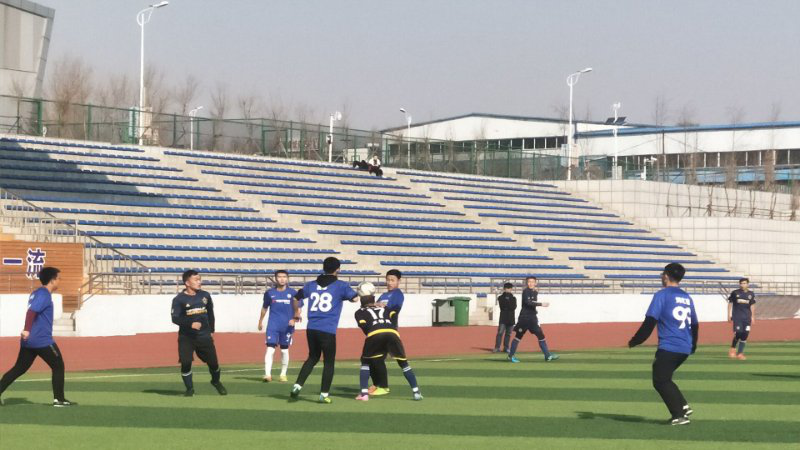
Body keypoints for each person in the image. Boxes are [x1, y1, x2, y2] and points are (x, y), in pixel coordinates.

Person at [628, 263, 699, 426]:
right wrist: (693, 344)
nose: (661, 276)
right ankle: (682, 405)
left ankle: (679, 416)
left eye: (662, 274)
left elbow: (650, 321)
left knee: (660, 380)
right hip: (685, 347)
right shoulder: (687, 297)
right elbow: (695, 324)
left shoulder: (662, 295)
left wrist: (636, 340)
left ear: (666, 276)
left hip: (670, 345)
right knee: (665, 377)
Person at [0, 267, 75, 407]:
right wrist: (27, 330)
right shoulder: (43, 294)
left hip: (29, 341)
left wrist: (27, 333)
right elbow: (31, 312)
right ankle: (59, 399)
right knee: (58, 365)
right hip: (41, 340)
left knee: (19, 368)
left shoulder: (37, 293)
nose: (60, 281)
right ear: (52, 280)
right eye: (59, 278)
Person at [289, 257, 359, 404]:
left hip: (311, 328)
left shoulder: (311, 284)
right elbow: (355, 299)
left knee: (312, 358)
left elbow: (295, 298)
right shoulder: (341, 285)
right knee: (329, 363)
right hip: (327, 329)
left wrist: (296, 312)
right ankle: (323, 395)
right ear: (338, 269)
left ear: (323, 268)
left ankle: (297, 386)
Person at [354, 293, 422, 402]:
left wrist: (373, 333)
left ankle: (364, 394)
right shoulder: (384, 308)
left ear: (361, 302)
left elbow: (364, 326)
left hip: (374, 333)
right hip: (392, 333)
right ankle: (416, 392)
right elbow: (394, 314)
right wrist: (392, 326)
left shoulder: (359, 312)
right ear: (373, 301)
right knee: (403, 363)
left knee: (365, 361)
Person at [171, 269, 227, 397]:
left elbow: (211, 314)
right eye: (196, 280)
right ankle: (190, 389)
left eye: (199, 279)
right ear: (187, 283)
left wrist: (212, 330)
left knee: (213, 363)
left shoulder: (205, 296)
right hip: (186, 337)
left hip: (204, 336)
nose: (199, 282)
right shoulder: (178, 299)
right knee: (186, 363)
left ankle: (216, 381)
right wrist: (190, 324)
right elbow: (175, 318)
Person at [258, 270, 300, 382]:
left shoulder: (293, 293)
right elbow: (264, 308)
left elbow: (298, 308)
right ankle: (267, 375)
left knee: (284, 350)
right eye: (279, 277)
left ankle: (283, 374)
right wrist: (260, 321)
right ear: (276, 278)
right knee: (270, 349)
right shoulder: (269, 293)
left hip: (287, 326)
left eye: (284, 277)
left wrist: (294, 319)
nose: (282, 279)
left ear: (287, 278)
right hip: (273, 325)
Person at [368, 269, 404, 396]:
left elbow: (395, 310)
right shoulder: (383, 295)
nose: (389, 283)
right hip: (379, 329)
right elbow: (375, 308)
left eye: (392, 280)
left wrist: (384, 307)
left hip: (389, 331)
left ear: (399, 281)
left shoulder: (398, 294)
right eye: (388, 280)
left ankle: (383, 386)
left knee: (378, 358)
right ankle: (377, 384)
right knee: (373, 358)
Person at [507, 276, 559, 363]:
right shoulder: (525, 291)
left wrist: (535, 310)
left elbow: (532, 304)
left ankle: (547, 355)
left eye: (532, 282)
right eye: (529, 282)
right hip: (524, 319)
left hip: (532, 319)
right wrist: (541, 304)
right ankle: (510, 356)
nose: (530, 283)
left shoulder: (535, 292)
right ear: (526, 283)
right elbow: (528, 303)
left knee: (541, 335)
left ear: (535, 283)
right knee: (518, 337)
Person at [728, 277, 756, 360]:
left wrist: (753, 316)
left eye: (744, 283)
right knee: (739, 333)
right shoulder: (735, 293)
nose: (743, 285)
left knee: (745, 335)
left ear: (747, 284)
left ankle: (740, 353)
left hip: (747, 318)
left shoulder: (751, 294)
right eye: (741, 283)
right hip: (737, 317)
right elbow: (730, 303)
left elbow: (752, 305)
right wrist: (728, 315)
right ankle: (733, 348)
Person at [493, 282, 517, 353]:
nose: (508, 290)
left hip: (511, 319)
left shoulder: (513, 298)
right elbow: (502, 306)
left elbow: (513, 307)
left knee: (508, 334)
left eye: (509, 288)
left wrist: (507, 302)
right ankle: (497, 347)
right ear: (504, 289)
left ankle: (506, 348)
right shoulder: (500, 297)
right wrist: (508, 302)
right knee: (500, 333)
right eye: (507, 288)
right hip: (503, 318)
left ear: (511, 289)